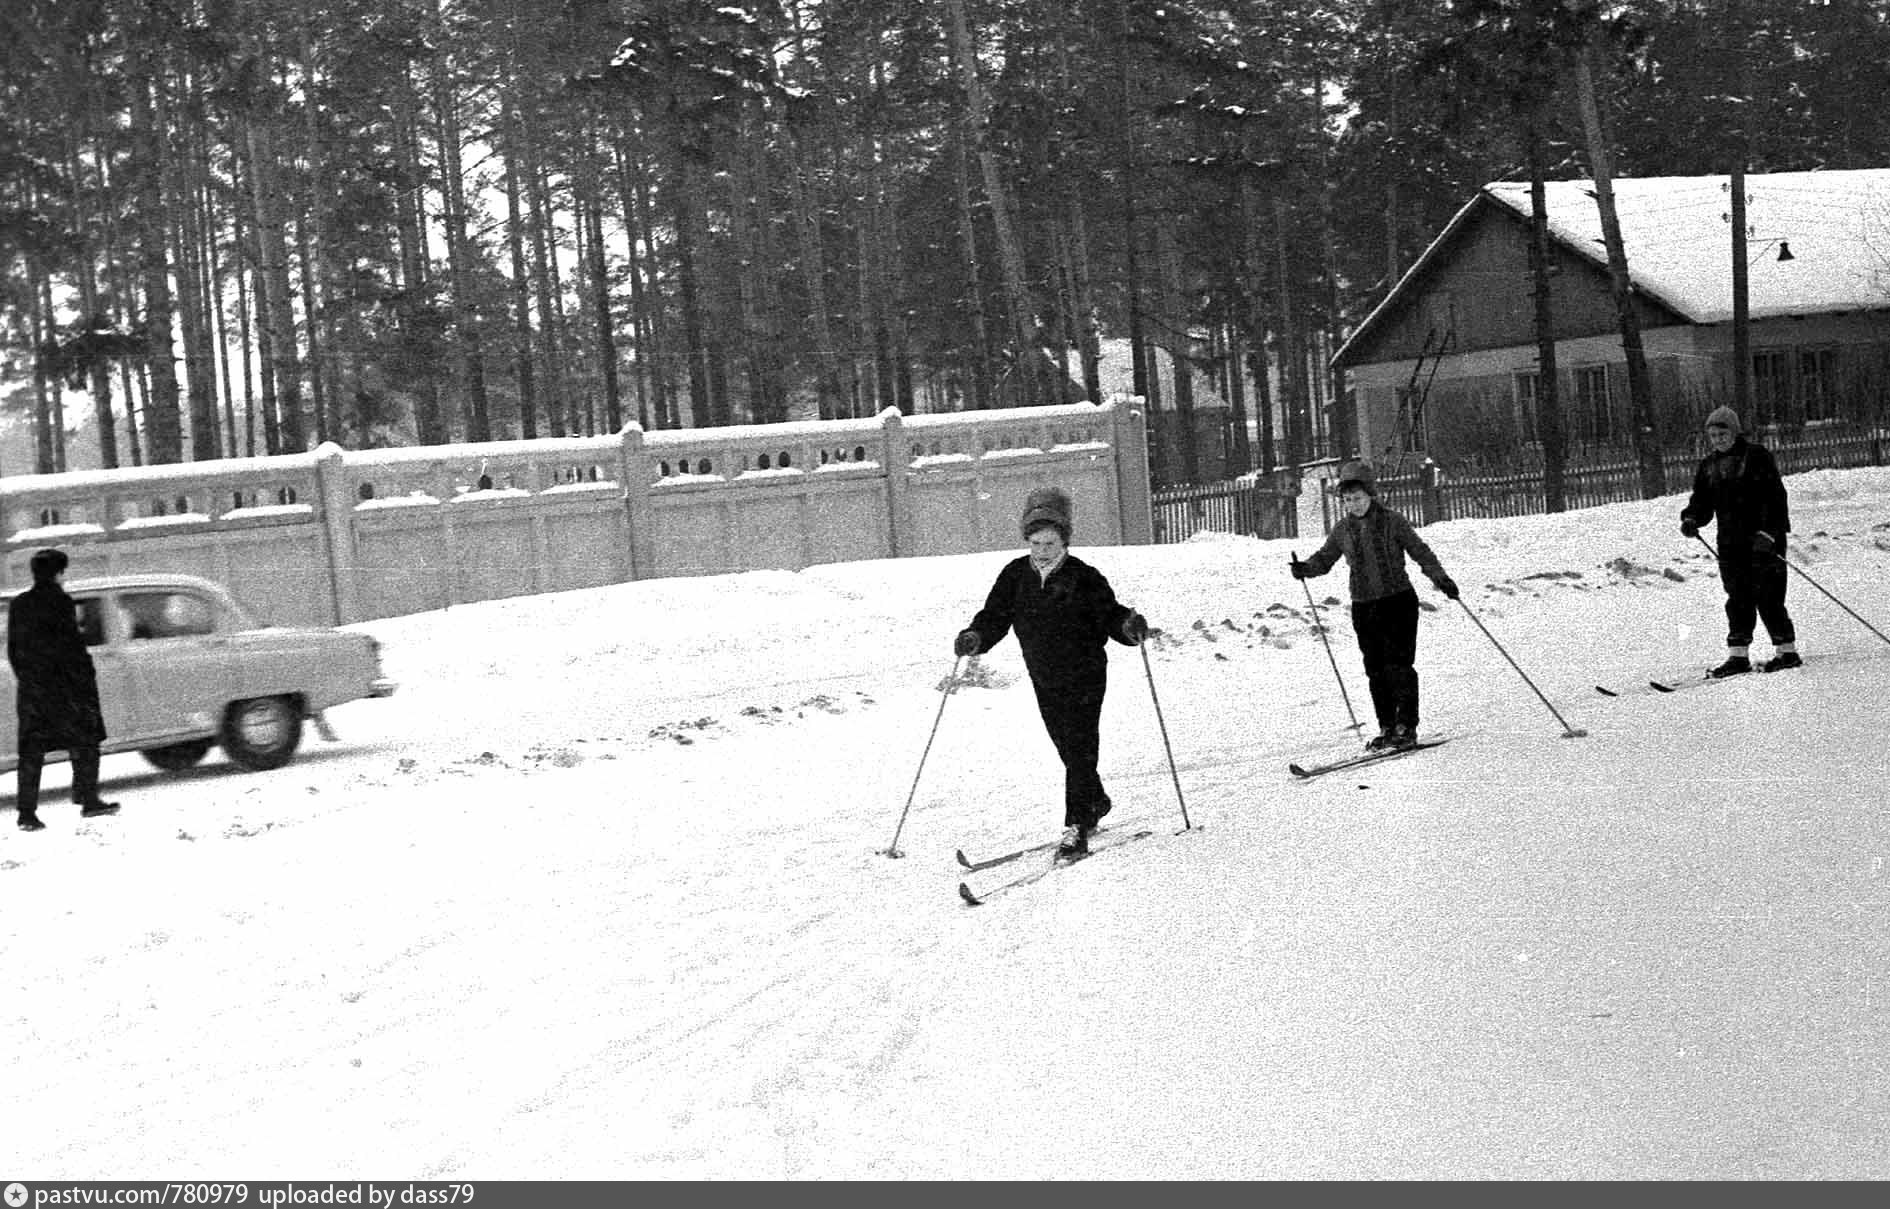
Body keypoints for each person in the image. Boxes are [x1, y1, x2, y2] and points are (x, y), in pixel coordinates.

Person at [955, 488, 1148, 858]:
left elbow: (1110, 615)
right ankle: (1095, 800)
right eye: (1036, 542)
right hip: (1044, 676)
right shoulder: (1015, 576)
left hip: (1086, 675)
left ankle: (1075, 826)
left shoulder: (1084, 577)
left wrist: (1128, 625)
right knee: (1067, 747)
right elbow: (995, 616)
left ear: (1064, 540)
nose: (1042, 550)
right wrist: (975, 637)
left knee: (1079, 748)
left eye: (1050, 542)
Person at [1291, 460, 1459, 751]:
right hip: (1364, 606)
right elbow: (1325, 558)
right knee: (1376, 669)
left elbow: (1420, 551)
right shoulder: (1342, 530)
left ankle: (1406, 725)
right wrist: (1305, 568)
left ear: (1370, 494)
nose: (1352, 505)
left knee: (1399, 665)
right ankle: (1387, 726)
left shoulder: (1393, 521)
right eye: (1347, 500)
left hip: (1397, 601)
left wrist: (1440, 578)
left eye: (1357, 498)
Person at [1680, 405, 1798, 677]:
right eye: (1712, 436)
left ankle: (1787, 651)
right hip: (1730, 543)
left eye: (1722, 433)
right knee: (1738, 597)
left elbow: (1775, 497)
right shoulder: (1709, 466)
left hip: (1763, 540)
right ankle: (1738, 655)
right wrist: (1691, 519)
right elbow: (1701, 501)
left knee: (1768, 594)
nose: (1718, 440)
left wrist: (1769, 534)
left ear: (1734, 432)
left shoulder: (1756, 456)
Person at [7, 548, 120, 831]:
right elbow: (70, 647)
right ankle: (88, 798)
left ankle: (27, 813)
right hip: (65, 689)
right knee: (86, 741)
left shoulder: (19, 604)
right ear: (58, 573)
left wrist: (29, 679)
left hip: (33, 691)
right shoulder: (61, 602)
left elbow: (14, 650)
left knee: (32, 752)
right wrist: (84, 677)